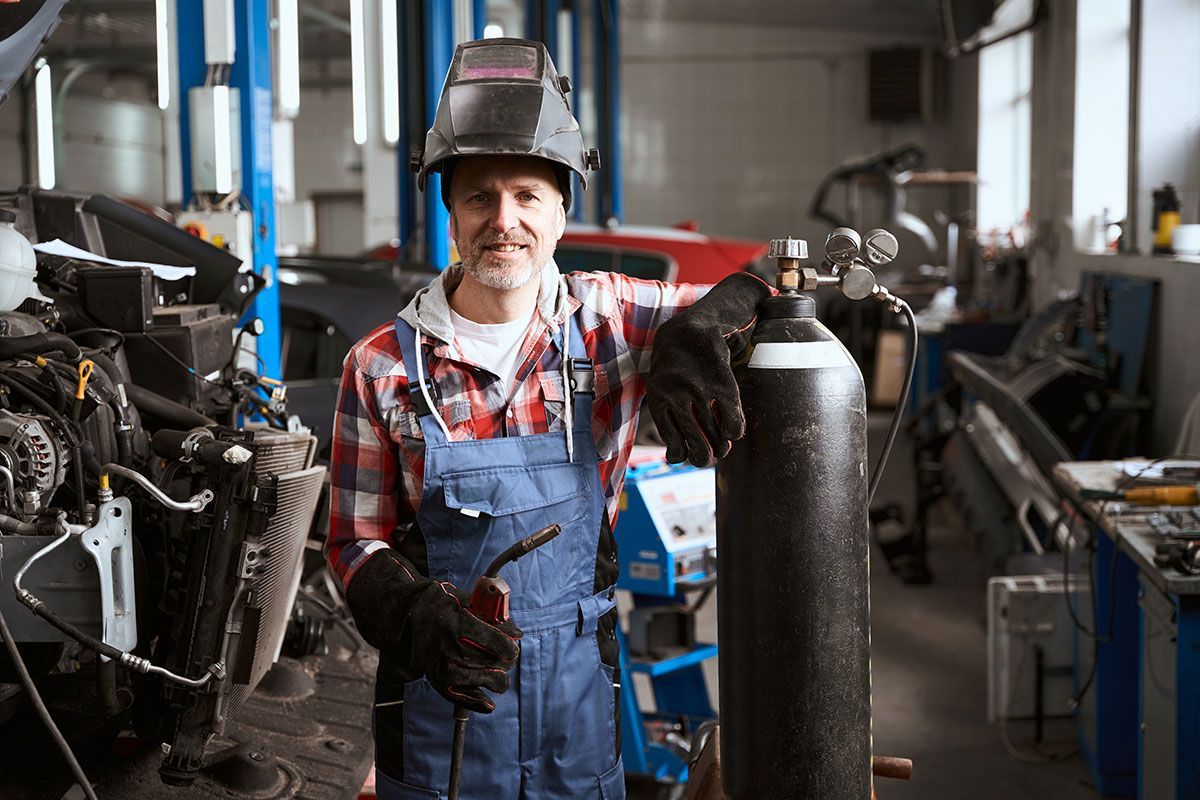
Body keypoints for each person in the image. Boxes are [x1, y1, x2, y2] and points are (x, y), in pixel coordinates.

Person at [326, 38, 770, 800]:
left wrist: (711, 324)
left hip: (576, 714)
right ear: (452, 214)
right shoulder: (380, 366)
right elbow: (351, 543)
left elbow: (776, 299)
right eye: (479, 196)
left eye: (528, 195)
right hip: (443, 717)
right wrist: (409, 615)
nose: (505, 220)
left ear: (563, 209)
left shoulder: (609, 318)